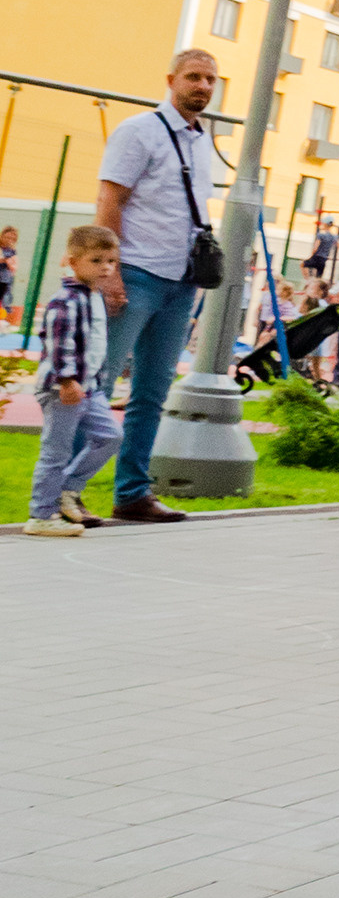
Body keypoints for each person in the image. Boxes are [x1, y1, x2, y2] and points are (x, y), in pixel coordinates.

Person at [91, 47, 223, 528]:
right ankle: (66, 492)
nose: (203, 86)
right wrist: (111, 274)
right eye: (194, 77)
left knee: (150, 394)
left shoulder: (200, 139)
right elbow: (110, 200)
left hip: (179, 282)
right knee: (97, 387)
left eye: (210, 79)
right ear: (171, 79)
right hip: (136, 276)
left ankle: (131, 493)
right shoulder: (139, 130)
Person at [24, 224, 123, 537]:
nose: (106, 267)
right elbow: (59, 343)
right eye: (96, 260)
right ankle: (40, 515)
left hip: (88, 389)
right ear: (71, 260)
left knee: (110, 436)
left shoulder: (93, 297)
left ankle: (68, 489)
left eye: (111, 261)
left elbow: (93, 344)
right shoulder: (66, 300)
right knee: (56, 451)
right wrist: (67, 381)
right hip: (62, 389)